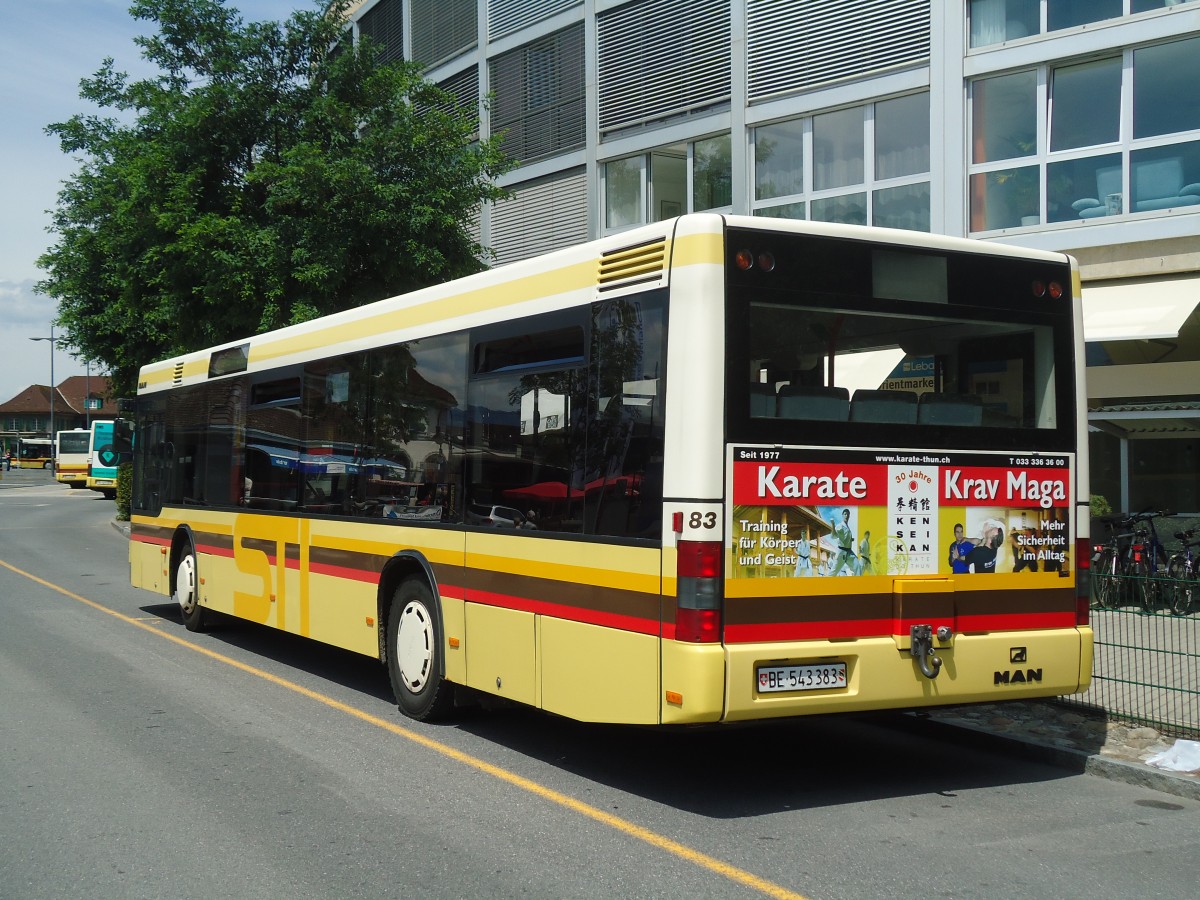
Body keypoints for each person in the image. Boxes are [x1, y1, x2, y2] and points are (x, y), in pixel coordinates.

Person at [828, 508, 858, 576]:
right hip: (842, 552)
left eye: (848, 514)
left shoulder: (847, 527)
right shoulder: (840, 526)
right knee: (833, 572)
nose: (846, 516)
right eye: (845, 514)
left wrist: (851, 539)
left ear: (849, 516)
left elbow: (845, 537)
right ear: (842, 515)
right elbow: (833, 536)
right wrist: (833, 525)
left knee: (857, 566)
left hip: (849, 552)